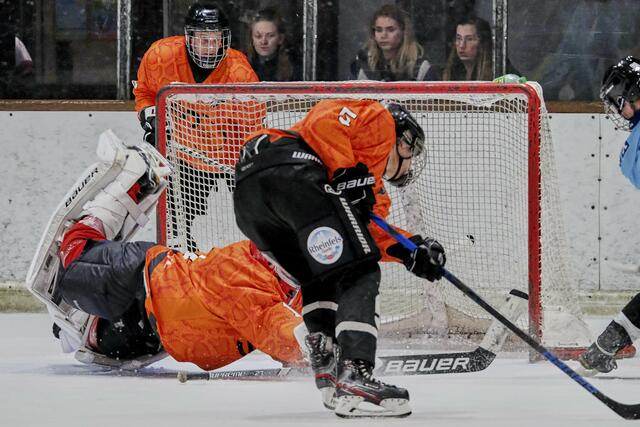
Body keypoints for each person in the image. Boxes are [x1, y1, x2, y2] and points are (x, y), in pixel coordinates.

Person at [232, 99, 446, 417]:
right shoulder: (381, 121)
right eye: (410, 152)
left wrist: (410, 249)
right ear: (403, 139)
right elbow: (324, 118)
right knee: (360, 271)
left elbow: (363, 233)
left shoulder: (369, 186)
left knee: (322, 274)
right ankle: (356, 373)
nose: (410, 162)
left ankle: (329, 368)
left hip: (251, 199)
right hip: (291, 171)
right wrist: (346, 171)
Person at [27, 130, 305, 372]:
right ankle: (131, 179)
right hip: (138, 279)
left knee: (93, 342)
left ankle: (79, 323)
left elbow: (292, 333)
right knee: (72, 258)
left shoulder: (294, 291)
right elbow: (283, 335)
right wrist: (318, 348)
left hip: (152, 337)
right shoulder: (246, 277)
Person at [133, 2, 263, 252]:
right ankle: (185, 265)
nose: (210, 47)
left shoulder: (240, 73)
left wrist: (246, 166)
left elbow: (253, 129)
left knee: (258, 218)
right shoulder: (161, 56)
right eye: (203, 40)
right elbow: (145, 92)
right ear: (189, 38)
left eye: (216, 40)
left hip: (230, 156)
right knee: (178, 226)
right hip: (186, 155)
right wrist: (151, 118)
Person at [578, 56, 640, 375]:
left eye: (619, 101)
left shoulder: (631, 148)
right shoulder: (633, 148)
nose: (617, 109)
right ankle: (602, 349)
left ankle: (601, 349)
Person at [350, 4, 439, 82]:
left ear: (403, 32)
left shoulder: (420, 68)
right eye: (379, 30)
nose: (383, 35)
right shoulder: (363, 64)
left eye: (391, 30)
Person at [246, 8, 301, 81]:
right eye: (258, 36)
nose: (263, 42)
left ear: (280, 38)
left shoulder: (294, 67)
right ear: (252, 38)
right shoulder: (241, 64)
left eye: (270, 36)